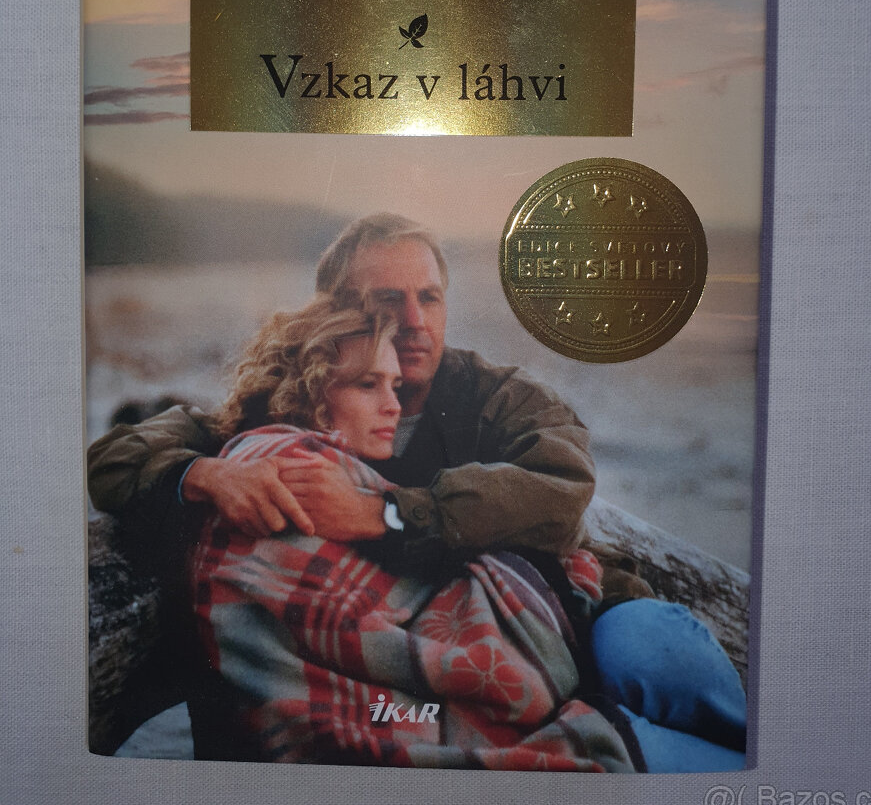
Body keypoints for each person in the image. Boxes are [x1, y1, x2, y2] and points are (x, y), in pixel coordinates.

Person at [88, 212, 746, 770]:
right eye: (387, 301)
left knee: (652, 653)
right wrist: (202, 475)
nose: (413, 321)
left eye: (429, 297)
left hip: (581, 618)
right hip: (441, 673)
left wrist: (386, 513)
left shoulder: (496, 396)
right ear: (336, 310)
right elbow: (116, 457)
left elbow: (561, 489)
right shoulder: (296, 399)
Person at [191, 297, 638, 770]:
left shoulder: (336, 472)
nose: (393, 406)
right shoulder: (287, 470)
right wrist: (199, 473)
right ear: (307, 389)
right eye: (368, 385)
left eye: (395, 385)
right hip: (375, 729)